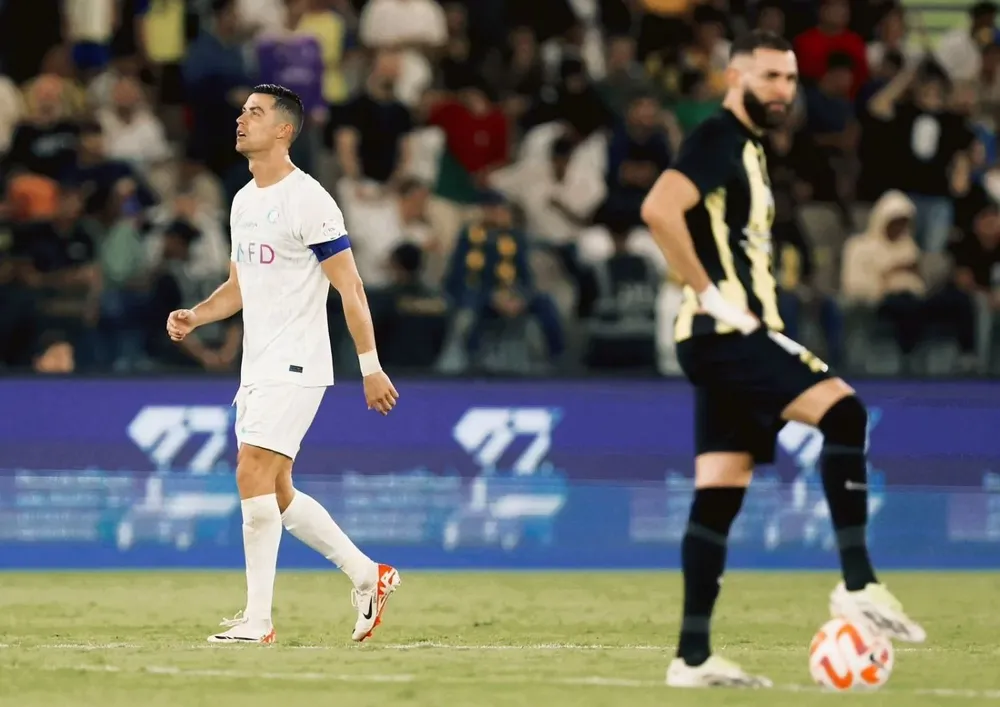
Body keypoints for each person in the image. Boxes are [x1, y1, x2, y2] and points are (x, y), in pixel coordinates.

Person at [640, 31, 926, 689]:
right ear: (735, 76)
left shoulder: (752, 151)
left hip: (718, 338)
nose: (783, 91)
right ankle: (858, 583)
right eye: (770, 77)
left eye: (791, 80)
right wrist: (711, 294)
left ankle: (691, 657)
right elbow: (660, 209)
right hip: (727, 332)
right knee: (845, 411)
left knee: (719, 493)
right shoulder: (718, 138)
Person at [164, 84, 401, 645]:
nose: (242, 119)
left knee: (251, 471)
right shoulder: (243, 199)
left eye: (255, 112)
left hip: (298, 361)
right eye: (243, 111)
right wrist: (197, 316)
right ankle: (370, 575)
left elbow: (351, 287)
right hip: (259, 363)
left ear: (284, 130)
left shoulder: (310, 200)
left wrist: (370, 366)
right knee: (279, 489)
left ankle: (258, 621)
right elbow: (239, 286)